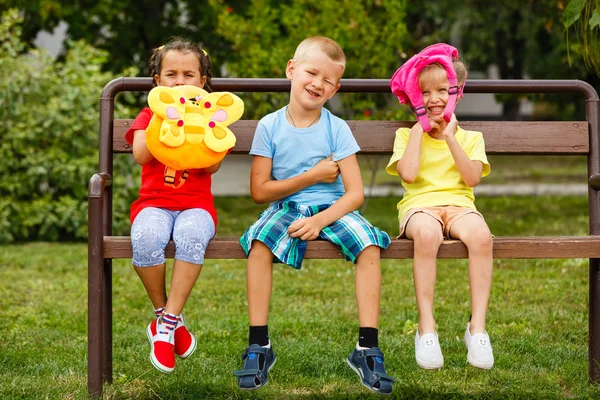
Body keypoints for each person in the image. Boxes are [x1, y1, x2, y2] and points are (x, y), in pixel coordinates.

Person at [233, 36, 395, 394]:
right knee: (259, 244)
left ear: (335, 88)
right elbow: (260, 190)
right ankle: (259, 345)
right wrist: (311, 176)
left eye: (328, 80)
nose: (317, 84)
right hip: (286, 207)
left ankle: (367, 348)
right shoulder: (270, 126)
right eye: (311, 72)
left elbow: (355, 194)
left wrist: (321, 220)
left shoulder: (336, 128)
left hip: (333, 208)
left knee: (369, 244)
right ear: (292, 69)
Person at [386, 45, 495, 370]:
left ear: (457, 93)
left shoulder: (471, 137)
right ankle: (426, 326)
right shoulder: (406, 135)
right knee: (428, 235)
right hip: (420, 208)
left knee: (481, 237)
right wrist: (420, 130)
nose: (434, 99)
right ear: (414, 97)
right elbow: (408, 174)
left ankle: (477, 328)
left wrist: (450, 138)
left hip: (460, 205)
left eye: (442, 91)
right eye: (425, 92)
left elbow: (472, 178)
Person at [124, 37, 220, 374]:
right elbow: (140, 154)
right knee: (147, 237)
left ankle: (166, 324)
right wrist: (163, 117)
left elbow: (211, 166)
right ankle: (165, 318)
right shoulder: (148, 114)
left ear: (202, 82)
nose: (180, 82)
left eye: (189, 75)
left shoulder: (208, 117)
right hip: (154, 203)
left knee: (192, 235)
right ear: (157, 82)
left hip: (196, 206)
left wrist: (200, 124)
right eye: (171, 75)